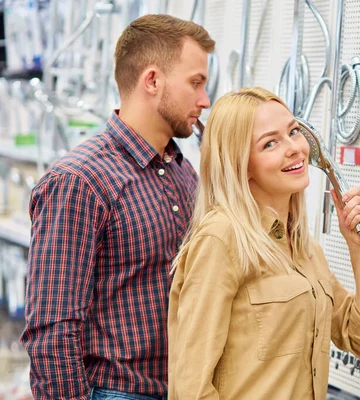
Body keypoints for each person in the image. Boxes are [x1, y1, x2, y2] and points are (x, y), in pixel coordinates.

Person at [20, 14, 214, 399]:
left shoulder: (182, 171)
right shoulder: (80, 181)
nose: (204, 100)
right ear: (153, 81)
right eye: (196, 83)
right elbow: (51, 327)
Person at [168, 87, 360, 400]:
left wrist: (358, 249)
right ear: (241, 165)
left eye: (293, 132)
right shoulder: (221, 239)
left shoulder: (303, 247)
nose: (294, 148)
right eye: (270, 143)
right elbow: (191, 389)